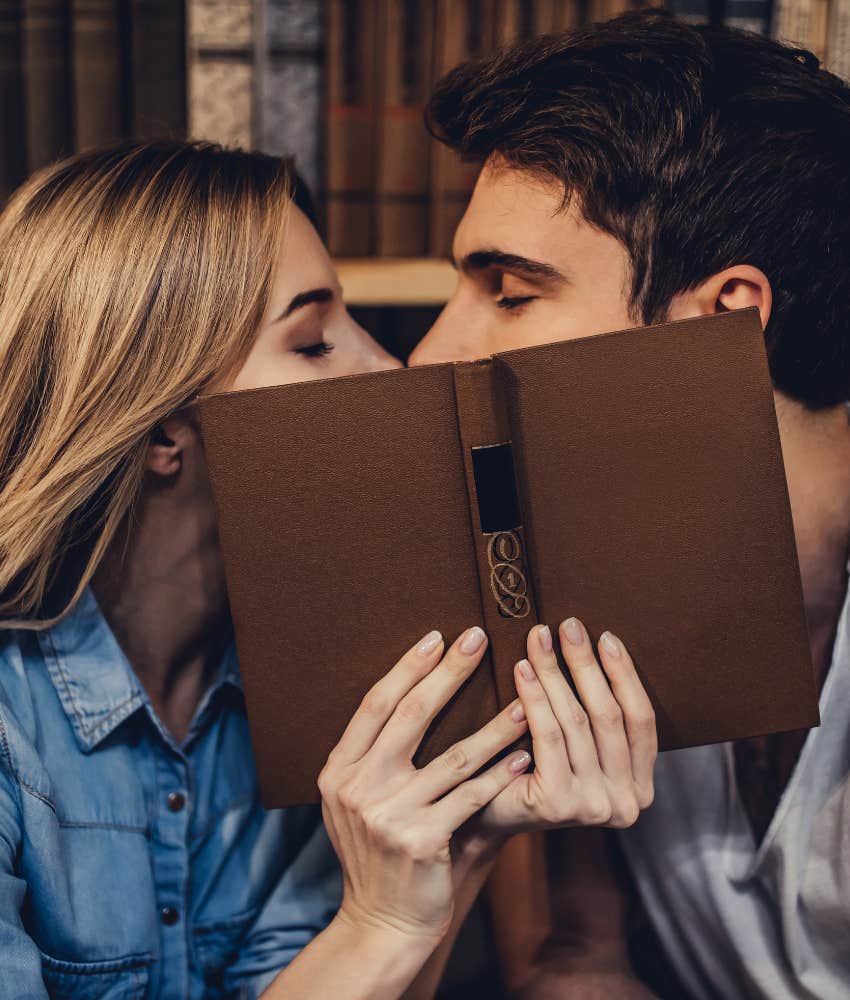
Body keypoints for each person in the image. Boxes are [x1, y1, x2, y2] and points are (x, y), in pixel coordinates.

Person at [0, 140, 658, 999]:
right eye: (313, 343)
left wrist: (465, 842)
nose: (389, 367)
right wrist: (378, 924)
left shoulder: (330, 684)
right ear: (164, 430)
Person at [408, 8, 850, 998]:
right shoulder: (563, 582)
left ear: (724, 319)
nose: (430, 353)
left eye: (512, 293)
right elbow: (572, 955)